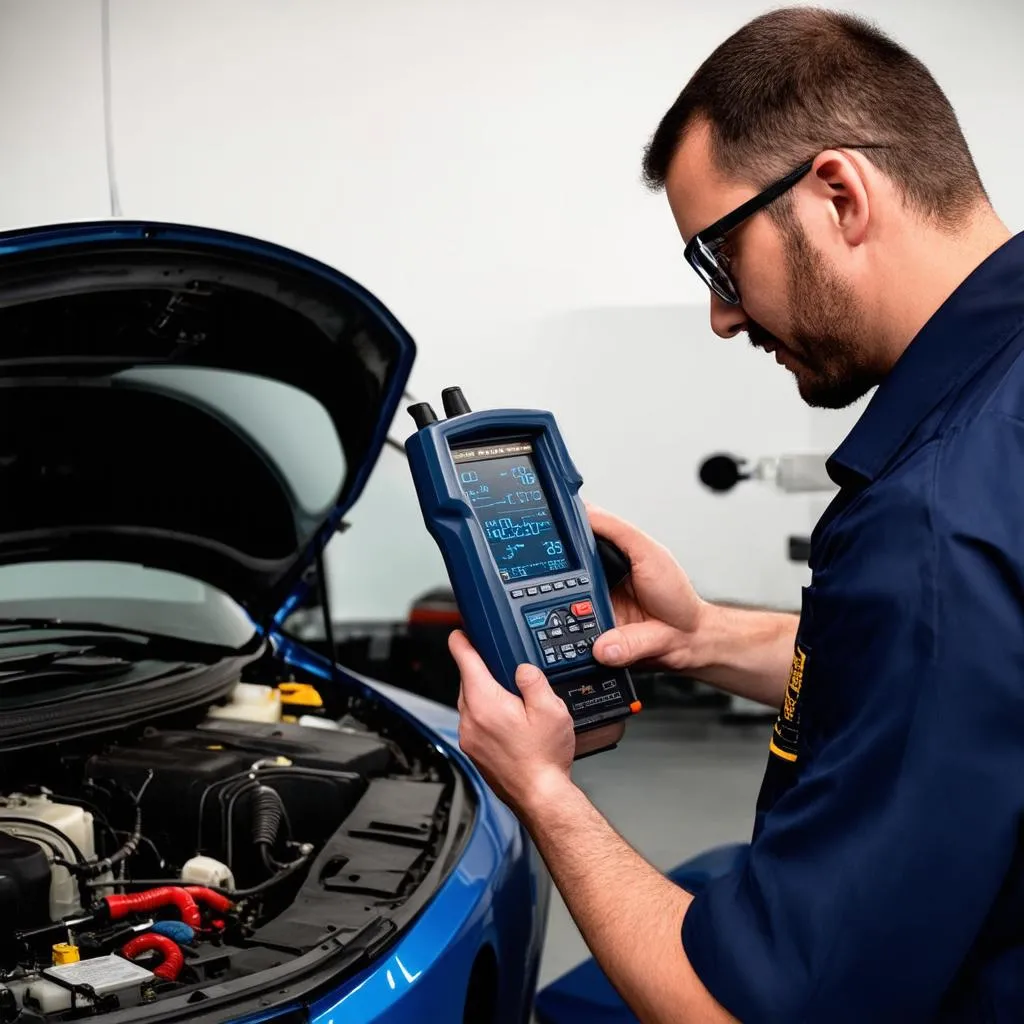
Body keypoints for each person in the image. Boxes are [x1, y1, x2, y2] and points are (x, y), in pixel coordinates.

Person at [451, 6, 1024, 1023]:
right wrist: (701, 634)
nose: (721, 315)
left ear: (838, 193)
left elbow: (741, 1011)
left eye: (718, 258)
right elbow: (967, 674)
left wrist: (542, 791)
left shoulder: (932, 524)